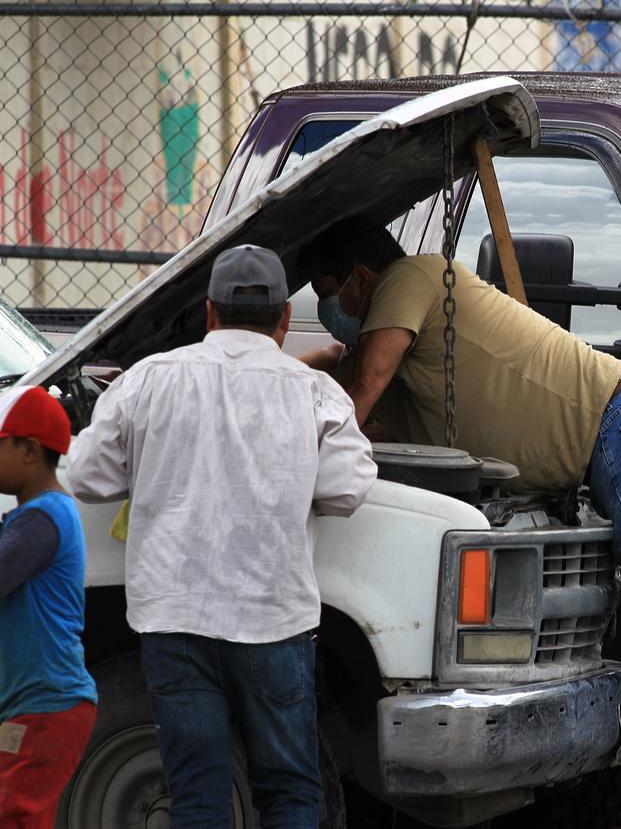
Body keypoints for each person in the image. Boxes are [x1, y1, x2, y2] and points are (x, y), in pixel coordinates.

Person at [300, 217, 621, 829]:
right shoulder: (408, 349)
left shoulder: (413, 276)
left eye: (328, 291)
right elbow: (341, 375)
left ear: (362, 279)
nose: (327, 309)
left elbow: (360, 387)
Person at [67, 245, 377, 827]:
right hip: (273, 623)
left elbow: (85, 475)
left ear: (210, 312)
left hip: (174, 621)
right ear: (285, 317)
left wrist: (156, 466)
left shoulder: (148, 380)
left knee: (198, 797)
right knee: (288, 792)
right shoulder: (314, 393)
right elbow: (347, 489)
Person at [0, 385, 97, 829]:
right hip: (39, 704)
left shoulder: (41, 519)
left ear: (29, 450)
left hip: (46, 705)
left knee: (16, 815)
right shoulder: (35, 517)